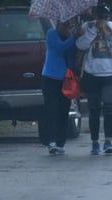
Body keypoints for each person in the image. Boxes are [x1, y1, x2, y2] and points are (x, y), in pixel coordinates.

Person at [76, 4, 112, 155]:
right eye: (101, 17)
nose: (104, 20)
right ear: (96, 16)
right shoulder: (87, 27)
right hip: (92, 74)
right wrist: (94, 29)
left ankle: (108, 141)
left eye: (106, 17)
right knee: (94, 110)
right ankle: (95, 142)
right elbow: (80, 45)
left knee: (109, 108)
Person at [41, 19, 77, 155]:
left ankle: (61, 141)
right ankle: (51, 141)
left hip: (65, 78)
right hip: (50, 77)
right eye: (65, 24)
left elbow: (72, 54)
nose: (67, 27)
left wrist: (75, 36)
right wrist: (73, 37)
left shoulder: (71, 35)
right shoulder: (52, 34)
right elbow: (59, 48)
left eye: (70, 24)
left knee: (64, 109)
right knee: (51, 109)